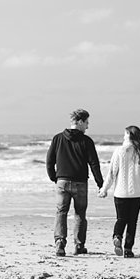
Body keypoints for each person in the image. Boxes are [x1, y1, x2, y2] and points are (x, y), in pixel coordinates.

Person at [46, 109, 104, 257]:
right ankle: (79, 245)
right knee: (80, 214)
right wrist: (100, 183)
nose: (87, 126)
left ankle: (60, 243)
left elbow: (49, 161)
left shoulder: (57, 138)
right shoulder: (86, 141)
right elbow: (94, 164)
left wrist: (54, 177)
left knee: (61, 212)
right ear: (79, 122)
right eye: (86, 123)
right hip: (80, 183)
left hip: (62, 182)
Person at [98, 125, 140, 258]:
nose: (123, 136)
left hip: (120, 193)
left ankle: (117, 236)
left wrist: (104, 190)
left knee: (121, 219)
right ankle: (128, 249)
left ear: (128, 135)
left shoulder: (118, 151)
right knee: (132, 222)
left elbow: (112, 173)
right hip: (137, 193)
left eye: (125, 133)